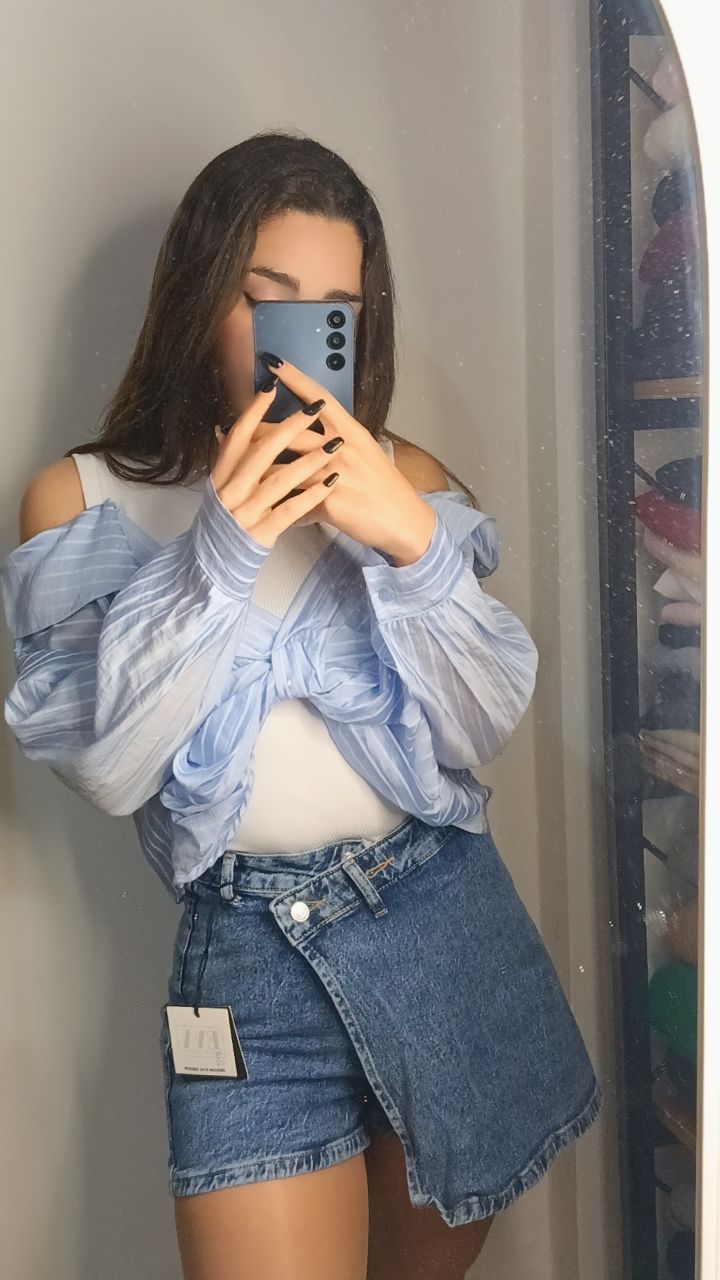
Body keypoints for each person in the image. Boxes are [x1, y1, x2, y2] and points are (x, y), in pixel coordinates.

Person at [0, 130, 602, 1280]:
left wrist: (409, 539)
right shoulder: (80, 500)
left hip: (440, 916)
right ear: (199, 298)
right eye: (267, 298)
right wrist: (223, 547)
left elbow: (479, 728)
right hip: (247, 962)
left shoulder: (404, 478)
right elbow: (112, 768)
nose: (304, 335)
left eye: (336, 309)